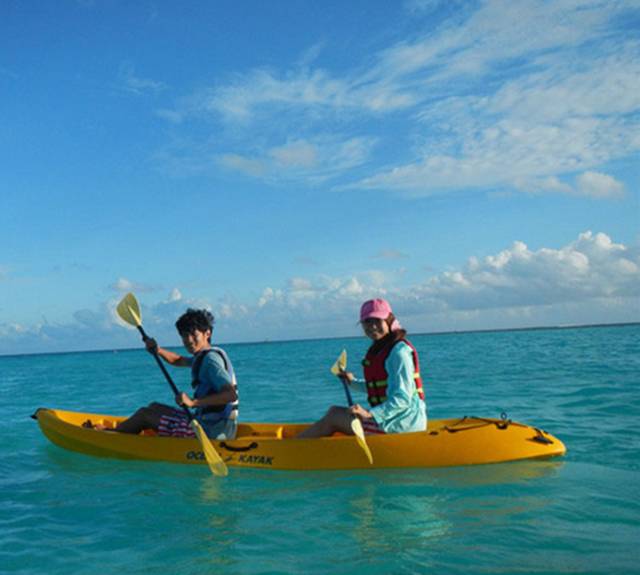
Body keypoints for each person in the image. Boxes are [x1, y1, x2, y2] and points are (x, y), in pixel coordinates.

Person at [95, 308, 239, 439]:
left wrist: (193, 402)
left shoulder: (210, 360)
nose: (189, 340)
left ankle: (111, 437)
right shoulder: (203, 356)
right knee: (154, 407)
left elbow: (230, 395)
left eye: (194, 335)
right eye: (184, 335)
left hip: (211, 432)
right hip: (211, 424)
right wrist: (157, 350)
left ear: (207, 333)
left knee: (144, 415)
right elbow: (178, 360)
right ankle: (123, 432)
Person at [298, 298, 426, 438]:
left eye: (377, 320)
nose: (372, 326)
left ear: (388, 321)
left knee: (334, 416)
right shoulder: (383, 348)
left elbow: (403, 398)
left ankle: (291, 450)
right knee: (334, 412)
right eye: (367, 322)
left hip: (402, 426)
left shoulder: (399, 353)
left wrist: (369, 414)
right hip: (393, 421)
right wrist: (352, 382)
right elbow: (382, 387)